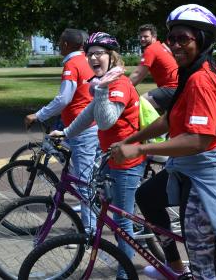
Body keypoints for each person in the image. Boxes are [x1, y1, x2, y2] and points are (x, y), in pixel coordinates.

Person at [112, 4, 216, 279]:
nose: (175, 45)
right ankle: (175, 267)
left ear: (201, 39)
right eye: (172, 39)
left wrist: (140, 148)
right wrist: (131, 138)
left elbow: (197, 140)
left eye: (183, 38)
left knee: (203, 263)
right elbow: (169, 119)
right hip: (187, 167)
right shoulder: (190, 72)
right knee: (146, 196)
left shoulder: (201, 80)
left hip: (206, 172)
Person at [50, 32, 146, 280]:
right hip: (110, 158)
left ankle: (125, 274)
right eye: (90, 54)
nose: (93, 58)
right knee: (115, 216)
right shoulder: (103, 83)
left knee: (122, 222)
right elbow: (89, 113)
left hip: (126, 163)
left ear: (112, 57)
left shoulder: (119, 84)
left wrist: (101, 88)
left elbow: (105, 121)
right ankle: (138, 249)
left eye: (99, 53)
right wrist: (67, 131)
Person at [24, 28, 99, 232]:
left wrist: (38, 115)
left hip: (82, 129)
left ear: (66, 44)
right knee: (86, 175)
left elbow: (64, 98)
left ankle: (89, 232)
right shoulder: (85, 60)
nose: (57, 45)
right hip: (87, 126)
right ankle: (92, 216)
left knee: (84, 182)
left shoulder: (71, 64)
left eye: (59, 42)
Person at [128, 24, 179, 111]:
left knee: (138, 104)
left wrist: (122, 87)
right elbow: (143, 74)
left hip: (170, 88)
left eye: (146, 36)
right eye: (140, 37)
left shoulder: (150, 49)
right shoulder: (161, 46)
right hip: (178, 87)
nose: (142, 39)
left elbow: (138, 74)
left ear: (154, 36)